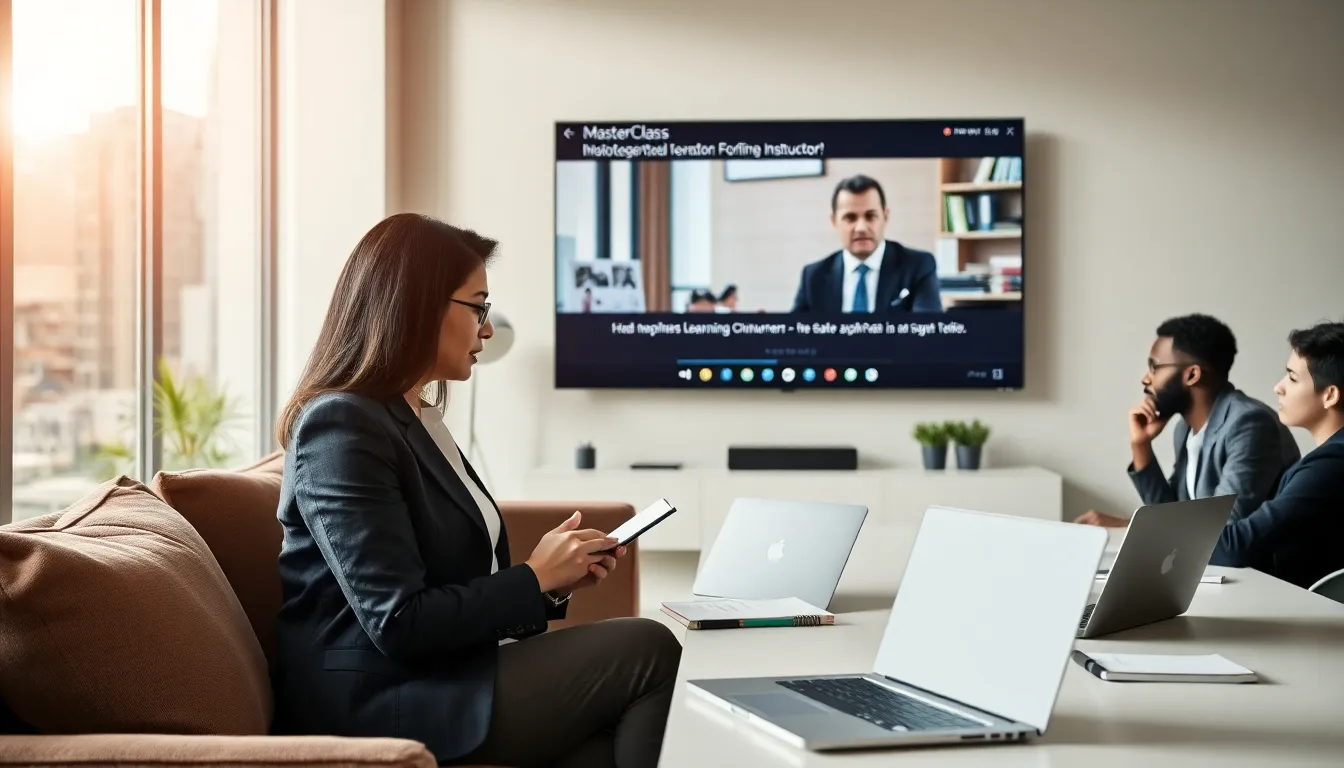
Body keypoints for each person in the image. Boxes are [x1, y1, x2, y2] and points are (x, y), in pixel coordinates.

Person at [271, 213, 681, 768]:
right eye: (478, 306)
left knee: (602, 745)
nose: (487, 330)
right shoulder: (341, 426)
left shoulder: (414, 419)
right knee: (647, 648)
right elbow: (398, 620)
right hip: (381, 700)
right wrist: (534, 578)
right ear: (415, 306)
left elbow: (450, 580)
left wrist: (551, 585)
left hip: (443, 673)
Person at [1076, 314, 1299, 528]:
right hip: (1212, 566)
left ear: (1192, 374)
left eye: (1154, 367)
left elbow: (1224, 527)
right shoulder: (1184, 429)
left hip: (1257, 568)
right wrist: (1141, 445)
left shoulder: (1248, 424)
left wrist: (1127, 526)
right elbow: (1173, 514)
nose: (1145, 378)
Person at [1210, 321, 1344, 589]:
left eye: (1292, 378)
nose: (1278, 387)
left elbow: (1238, 546)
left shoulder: (1331, 465)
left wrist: (1153, 541)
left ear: (1330, 395)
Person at [791, 175, 942, 314]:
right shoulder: (813, 276)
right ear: (834, 221)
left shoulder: (918, 266)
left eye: (870, 216)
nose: (861, 227)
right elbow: (794, 335)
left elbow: (927, 333)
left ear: (885, 217)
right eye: (850, 218)